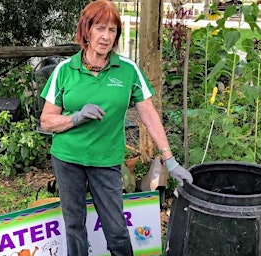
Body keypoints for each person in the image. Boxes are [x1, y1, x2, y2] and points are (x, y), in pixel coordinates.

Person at [39, 0, 193, 255]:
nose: (106, 36)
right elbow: (46, 120)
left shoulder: (128, 70)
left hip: (106, 161)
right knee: (74, 225)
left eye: (112, 30)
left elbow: (150, 116)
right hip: (68, 159)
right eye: (100, 28)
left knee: (116, 228)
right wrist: (75, 117)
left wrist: (170, 159)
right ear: (86, 31)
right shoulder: (65, 71)